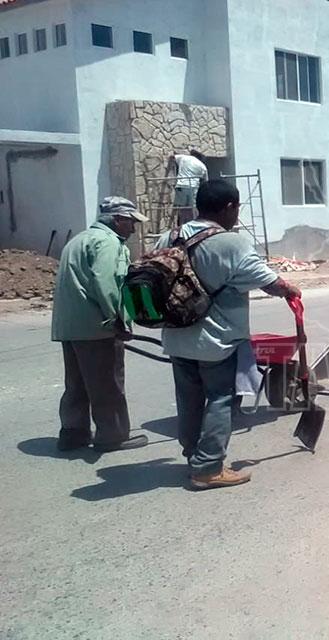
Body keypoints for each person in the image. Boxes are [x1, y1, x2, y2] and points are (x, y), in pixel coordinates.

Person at [158, 180, 301, 490]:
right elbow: (268, 282)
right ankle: (208, 468)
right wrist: (290, 288)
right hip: (215, 341)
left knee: (188, 400)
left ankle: (194, 456)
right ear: (228, 208)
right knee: (220, 399)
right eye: (237, 208)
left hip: (176, 336)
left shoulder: (170, 236)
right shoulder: (231, 243)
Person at [52, 197, 150, 452]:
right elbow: (107, 284)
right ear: (118, 220)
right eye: (131, 222)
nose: (133, 229)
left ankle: (73, 433)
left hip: (70, 327)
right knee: (107, 384)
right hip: (97, 327)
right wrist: (118, 320)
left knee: (77, 384)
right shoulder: (108, 243)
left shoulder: (78, 240)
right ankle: (112, 435)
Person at [171, 150, 209, 225]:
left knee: (181, 208)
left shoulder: (184, 158)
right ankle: (195, 224)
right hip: (193, 187)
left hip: (181, 185)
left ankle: (182, 225)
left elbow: (172, 157)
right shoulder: (202, 166)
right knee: (193, 208)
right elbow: (206, 182)